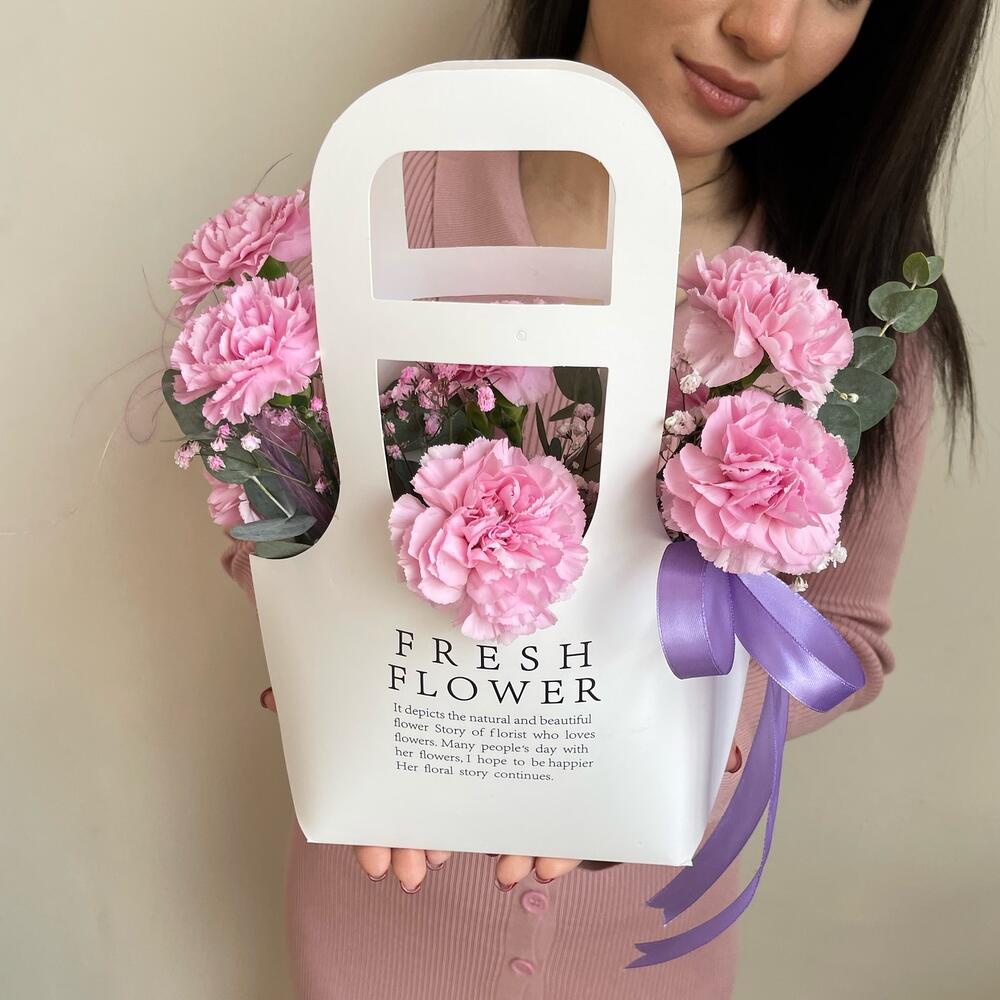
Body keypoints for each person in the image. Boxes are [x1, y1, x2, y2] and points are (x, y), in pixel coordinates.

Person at [221, 1, 989, 996]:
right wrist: (341, 655)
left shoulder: (853, 315)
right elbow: (271, 515)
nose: (764, 29)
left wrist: (664, 729)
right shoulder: (383, 206)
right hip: (380, 926)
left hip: (651, 951)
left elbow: (844, 634)